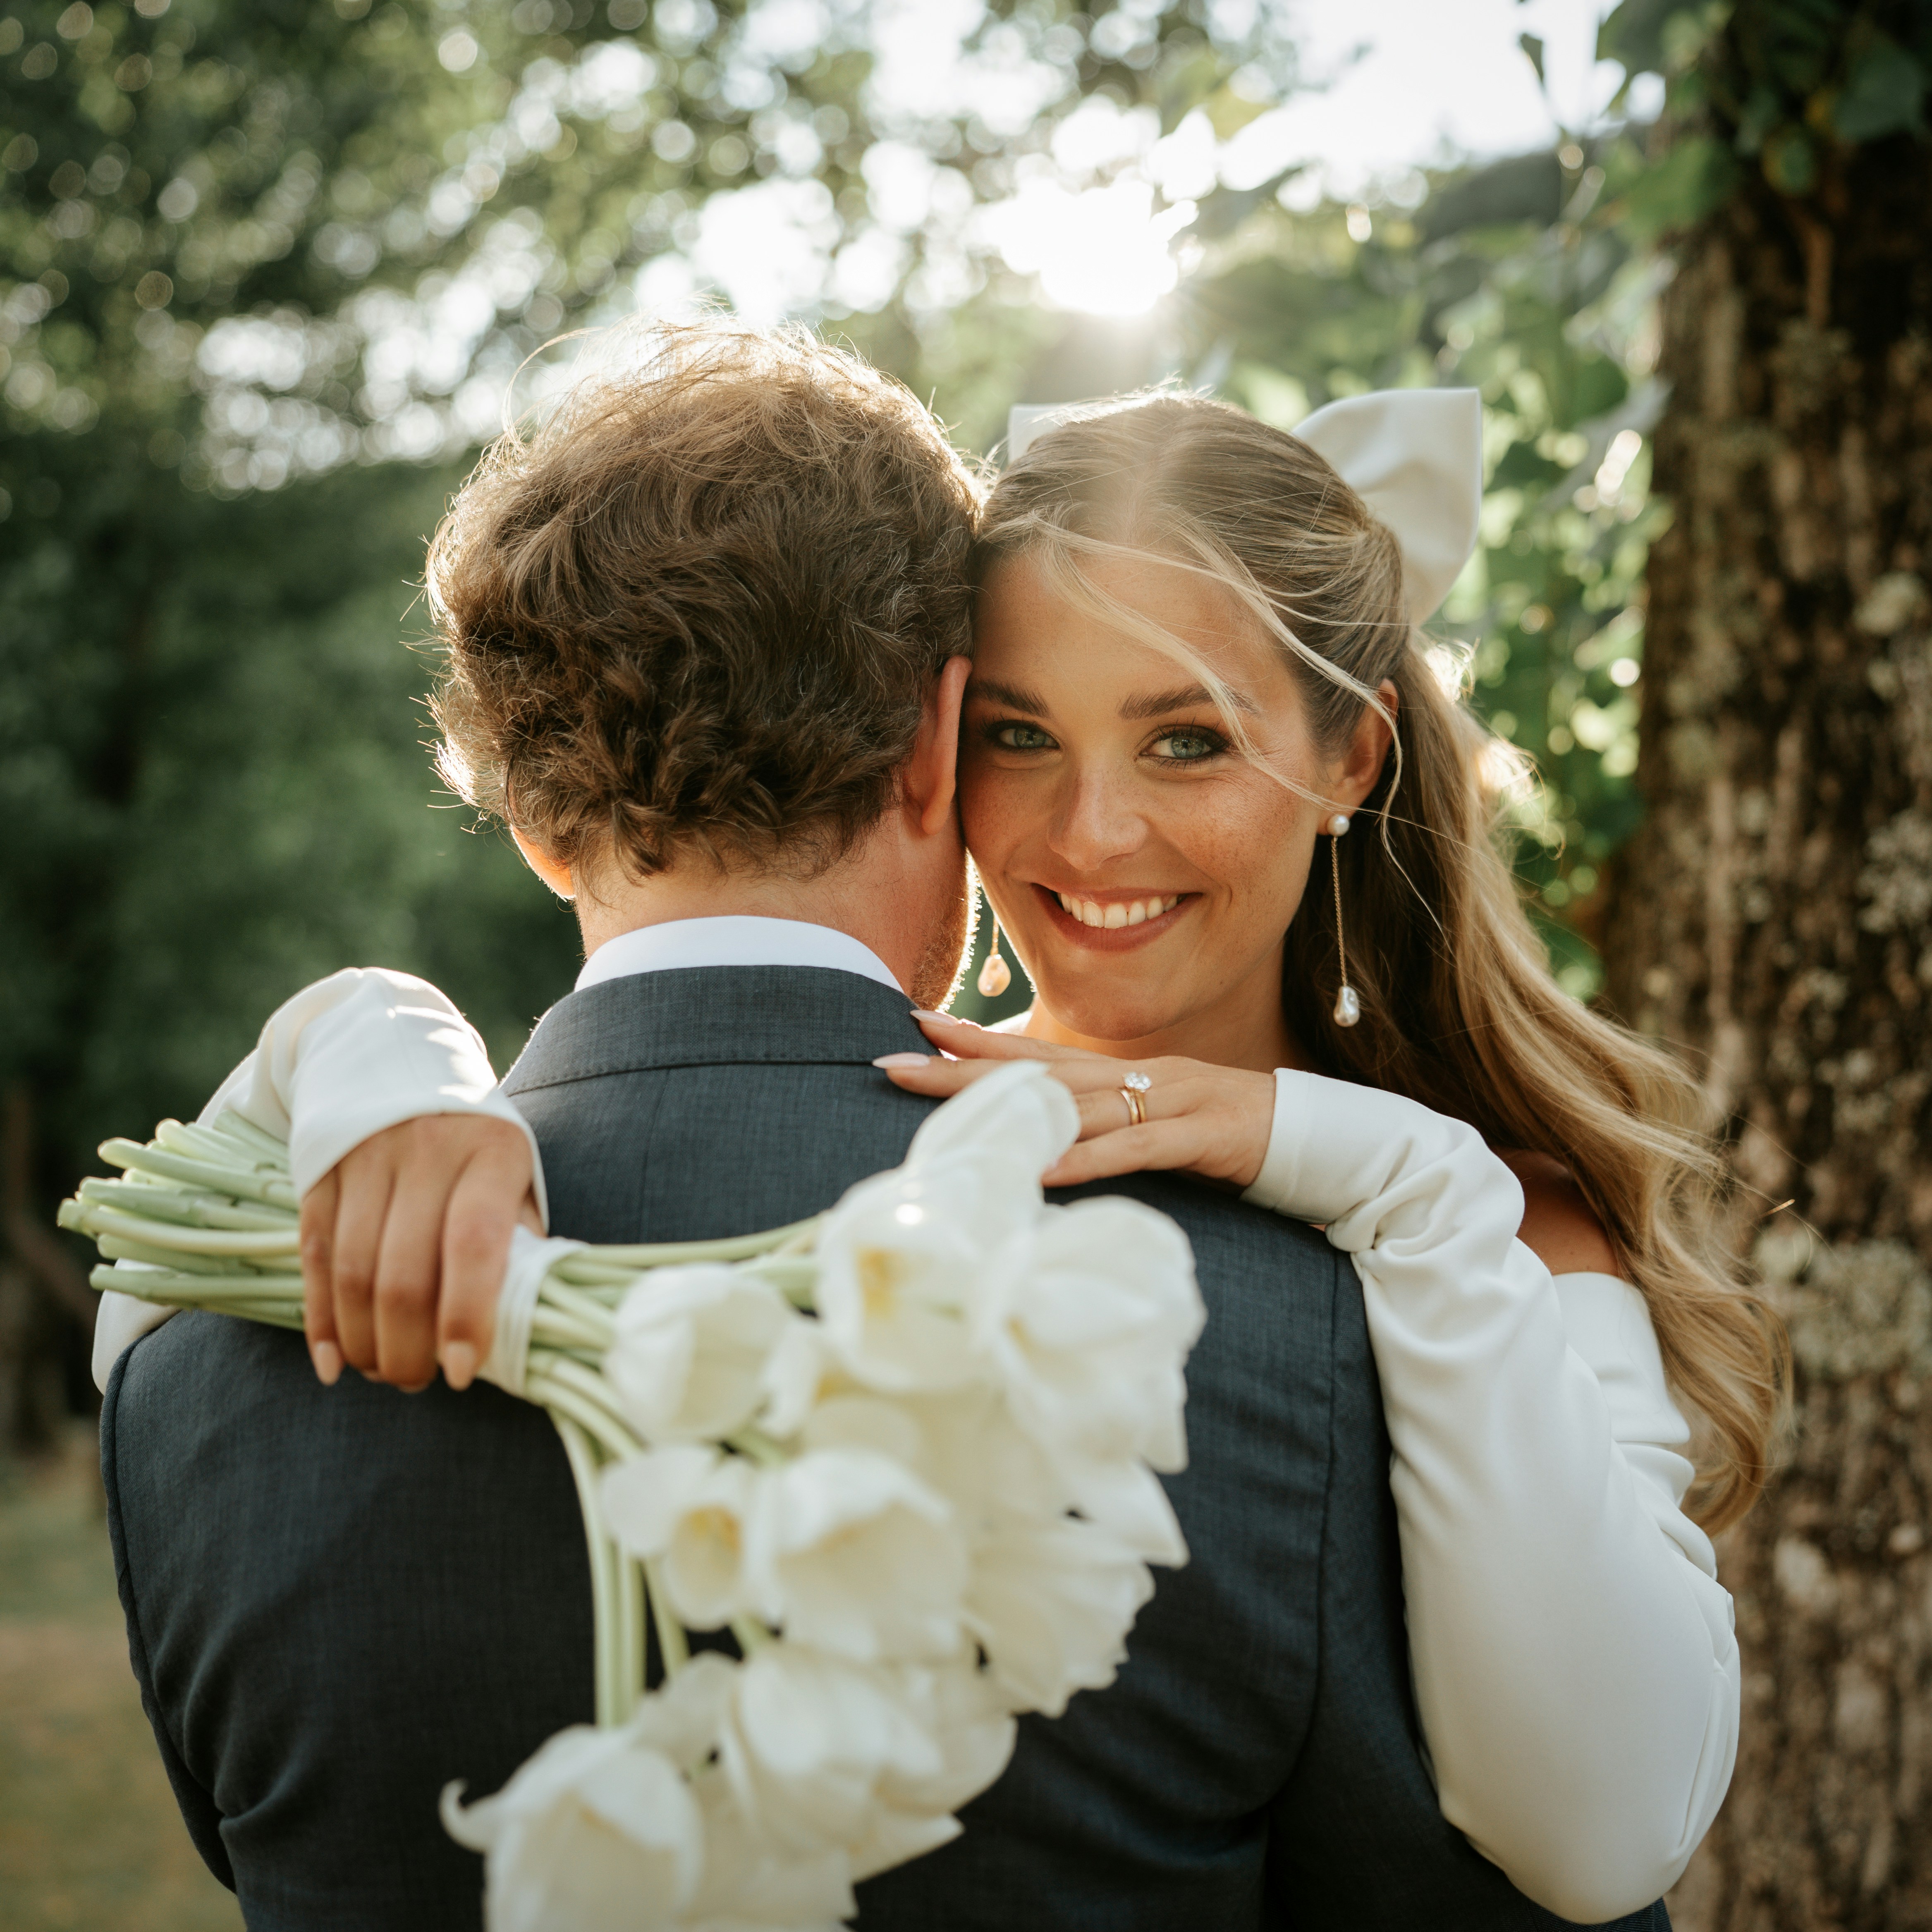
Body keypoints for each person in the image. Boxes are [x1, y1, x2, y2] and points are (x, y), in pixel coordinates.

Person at [94, 321, 1709, 1929]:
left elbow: (1598, 1824)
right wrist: (367, 1038)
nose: (1094, 832)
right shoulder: (1300, 1356)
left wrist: (1388, 1164)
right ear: (943, 743)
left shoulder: (193, 1379)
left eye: (1188, 736)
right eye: (1023, 732)